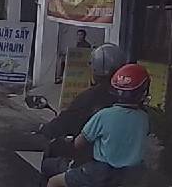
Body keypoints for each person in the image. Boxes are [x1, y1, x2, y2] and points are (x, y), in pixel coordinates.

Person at [45, 63, 150, 187]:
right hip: (133, 175)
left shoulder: (104, 114)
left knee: (53, 181)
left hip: (101, 174)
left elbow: (79, 143)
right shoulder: (145, 118)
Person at [39, 44, 129, 178]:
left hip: (95, 164)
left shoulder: (90, 98)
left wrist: (46, 130)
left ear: (97, 68)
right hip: (126, 166)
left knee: (49, 166)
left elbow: (67, 125)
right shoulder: (131, 100)